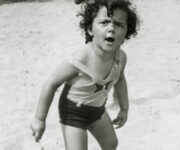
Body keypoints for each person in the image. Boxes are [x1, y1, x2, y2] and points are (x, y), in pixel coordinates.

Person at [30, 0, 140, 149]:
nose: (112, 29)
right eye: (104, 22)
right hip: (73, 112)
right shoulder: (81, 58)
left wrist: (124, 109)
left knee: (111, 144)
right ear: (89, 29)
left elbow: (120, 80)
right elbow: (51, 83)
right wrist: (39, 119)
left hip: (97, 110)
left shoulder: (121, 58)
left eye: (119, 24)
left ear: (127, 33)